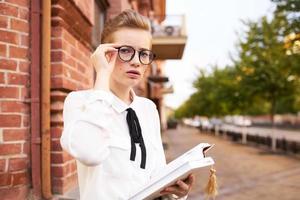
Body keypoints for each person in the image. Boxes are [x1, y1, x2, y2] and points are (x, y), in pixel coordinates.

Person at [60, 9, 195, 200]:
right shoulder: (80, 102)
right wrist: (102, 74)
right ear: (105, 53)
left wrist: (176, 194)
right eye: (125, 51)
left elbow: (157, 175)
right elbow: (89, 153)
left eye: (143, 53)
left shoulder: (148, 109)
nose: (136, 61)